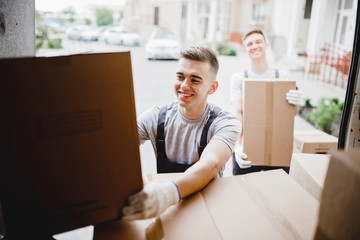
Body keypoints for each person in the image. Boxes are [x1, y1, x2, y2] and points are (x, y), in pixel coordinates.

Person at [122, 46, 241, 220]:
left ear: (212, 87)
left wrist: (166, 195)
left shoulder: (225, 123)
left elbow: (211, 163)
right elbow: (118, 147)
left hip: (207, 213)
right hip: (164, 213)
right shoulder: (155, 118)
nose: (184, 85)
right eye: (180, 77)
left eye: (195, 80)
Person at [230, 29, 302, 175]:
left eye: (258, 42)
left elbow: (292, 114)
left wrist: (297, 103)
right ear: (245, 50)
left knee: (277, 191)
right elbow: (237, 113)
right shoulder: (239, 78)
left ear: (266, 45)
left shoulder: (283, 76)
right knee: (244, 191)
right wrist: (237, 146)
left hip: (278, 148)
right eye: (250, 44)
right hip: (248, 147)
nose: (254, 46)